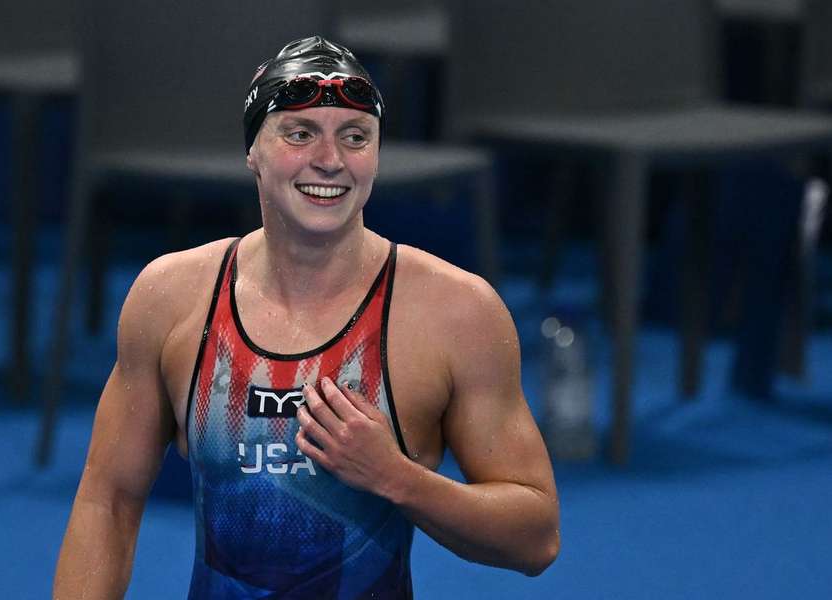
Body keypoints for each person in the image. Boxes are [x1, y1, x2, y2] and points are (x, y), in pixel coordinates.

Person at [53, 36, 559, 599]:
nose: (330, 160)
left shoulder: (457, 313)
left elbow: (535, 538)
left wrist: (397, 478)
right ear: (253, 152)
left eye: (355, 137)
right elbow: (108, 502)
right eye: (299, 134)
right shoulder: (171, 297)